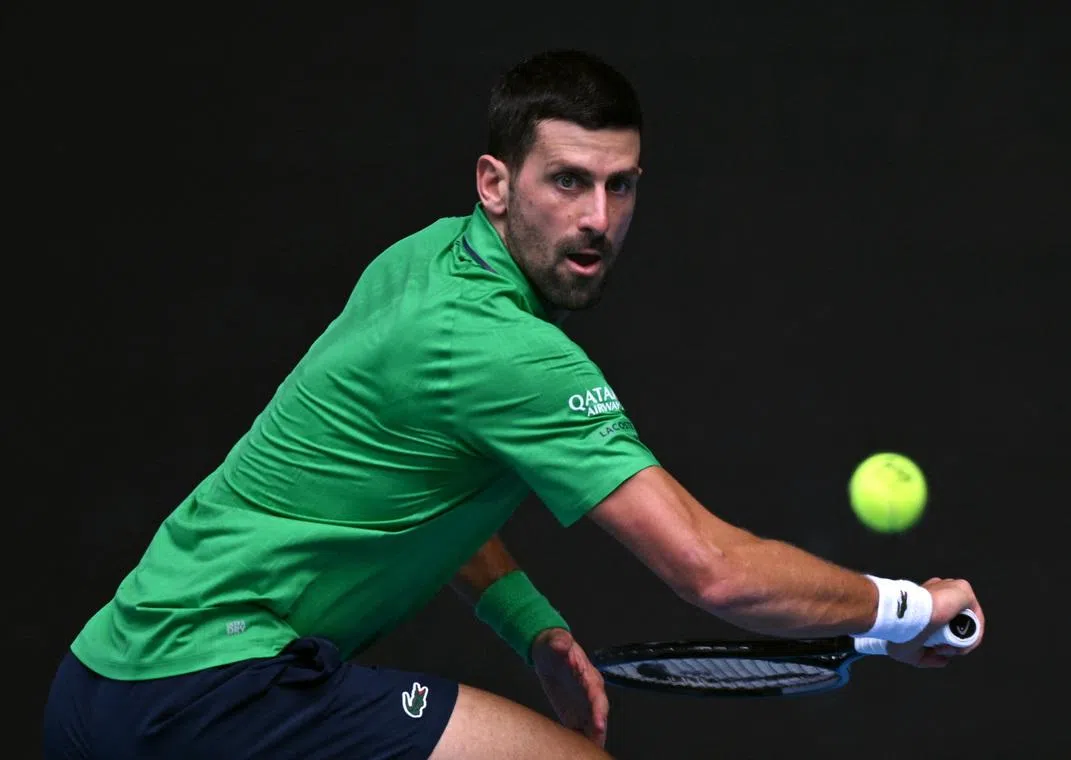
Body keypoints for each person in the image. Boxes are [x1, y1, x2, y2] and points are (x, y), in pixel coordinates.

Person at [43, 49, 985, 759]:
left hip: (101, 682)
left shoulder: (423, 262)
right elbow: (713, 571)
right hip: (208, 687)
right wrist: (903, 610)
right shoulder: (507, 352)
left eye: (620, 188)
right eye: (567, 181)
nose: (597, 220)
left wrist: (532, 625)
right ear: (496, 183)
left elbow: (415, 488)